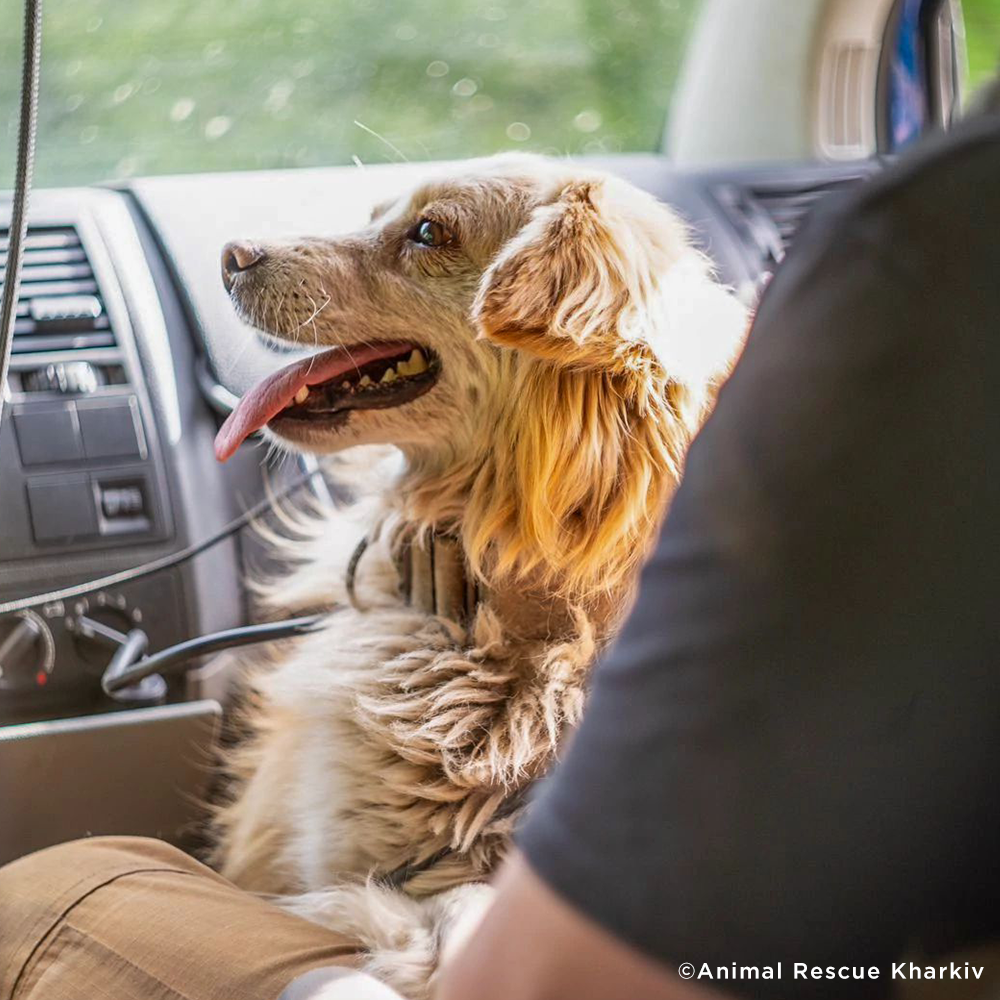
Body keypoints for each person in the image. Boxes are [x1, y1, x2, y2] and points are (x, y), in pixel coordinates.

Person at [2, 112, 999, 1000]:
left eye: (426, 240)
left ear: (570, 340)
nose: (259, 255)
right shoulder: (825, 537)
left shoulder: (918, 256)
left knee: (42, 894)